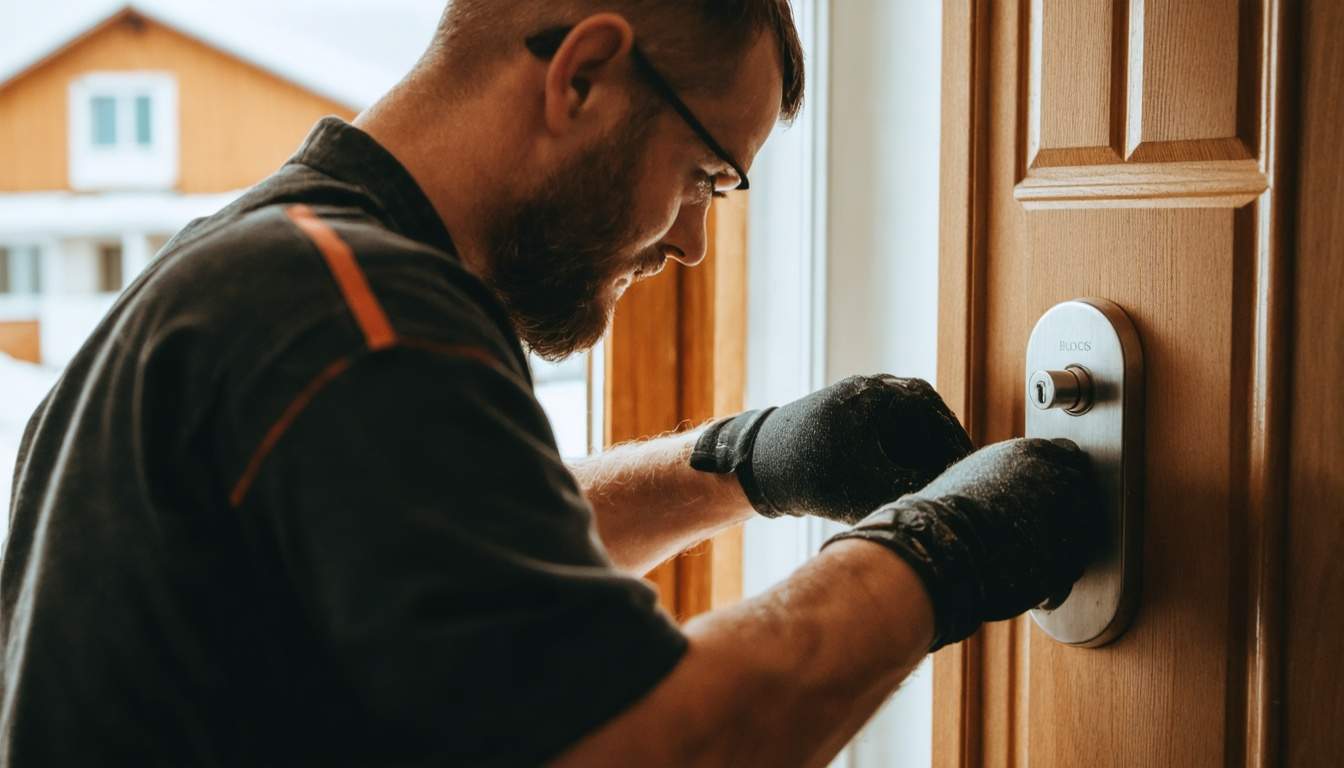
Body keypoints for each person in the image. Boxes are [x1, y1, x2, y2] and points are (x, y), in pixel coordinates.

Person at [0, 2, 1099, 765]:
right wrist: (949, 550)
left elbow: (438, 543)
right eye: (706, 175)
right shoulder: (359, 317)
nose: (693, 244)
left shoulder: (256, 272)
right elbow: (655, 750)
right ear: (582, 74)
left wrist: (740, 458)